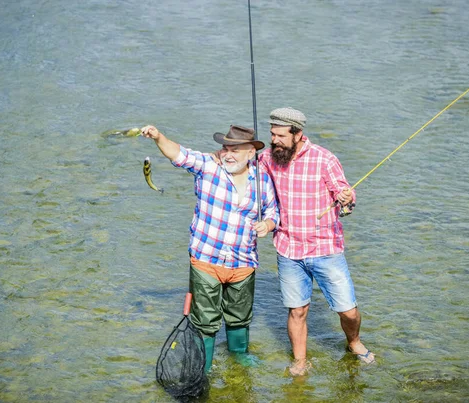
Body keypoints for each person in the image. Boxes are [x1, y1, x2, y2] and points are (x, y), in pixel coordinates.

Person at [141, 124, 279, 372]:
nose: (228, 153)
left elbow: (273, 213)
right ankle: (202, 365)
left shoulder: (262, 178)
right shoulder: (208, 166)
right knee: (205, 321)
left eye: (235, 149)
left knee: (239, 318)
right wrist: (158, 136)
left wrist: (268, 225)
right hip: (206, 258)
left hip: (243, 262)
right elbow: (178, 154)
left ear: (251, 153)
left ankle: (239, 357)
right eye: (225, 147)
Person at [258, 107, 375, 376]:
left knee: (348, 311)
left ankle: (354, 343)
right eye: (272, 134)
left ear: (298, 134)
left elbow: (345, 196)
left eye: (280, 135)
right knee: (297, 311)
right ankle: (300, 360)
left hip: (326, 248)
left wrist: (347, 199)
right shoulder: (267, 158)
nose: (274, 140)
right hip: (288, 248)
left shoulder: (324, 159)